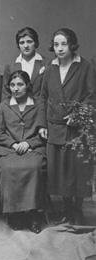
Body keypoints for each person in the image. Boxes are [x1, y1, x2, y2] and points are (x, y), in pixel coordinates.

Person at [40, 28, 96, 224]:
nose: (60, 48)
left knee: (78, 170)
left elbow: (91, 95)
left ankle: (78, 209)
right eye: (56, 44)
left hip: (78, 129)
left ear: (72, 45)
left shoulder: (85, 66)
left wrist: (78, 114)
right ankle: (66, 208)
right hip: (55, 127)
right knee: (60, 171)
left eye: (64, 44)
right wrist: (42, 124)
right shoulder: (50, 68)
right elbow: (43, 97)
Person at [0, 71, 46, 233]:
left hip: (33, 148)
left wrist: (29, 143)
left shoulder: (39, 104)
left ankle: (33, 214)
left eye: (20, 84)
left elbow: (43, 131)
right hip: (8, 148)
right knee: (9, 169)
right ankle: (14, 213)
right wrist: (14, 144)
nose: (16, 88)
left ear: (28, 85)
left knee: (34, 168)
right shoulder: (2, 106)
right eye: (13, 85)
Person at [2, 27, 46, 99]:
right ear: (18, 45)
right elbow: (5, 94)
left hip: (40, 107)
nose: (26, 46)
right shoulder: (10, 66)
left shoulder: (46, 63)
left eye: (29, 41)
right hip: (17, 108)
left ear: (36, 43)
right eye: (22, 42)